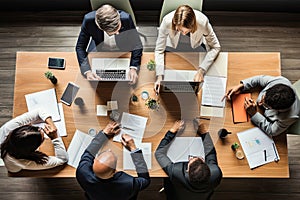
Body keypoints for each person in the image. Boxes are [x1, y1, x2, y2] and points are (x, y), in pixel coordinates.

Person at [154, 5, 221, 93]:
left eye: (187, 31)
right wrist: (159, 76)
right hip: (173, 49)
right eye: (180, 30)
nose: (184, 34)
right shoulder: (167, 21)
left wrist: (201, 70)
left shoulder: (202, 22)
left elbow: (216, 47)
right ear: (174, 22)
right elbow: (159, 50)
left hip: (195, 49)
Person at [76, 121, 150, 200]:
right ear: (114, 171)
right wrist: (133, 148)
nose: (110, 150)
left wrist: (104, 133)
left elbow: (88, 153)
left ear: (94, 162)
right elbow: (145, 180)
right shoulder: (129, 183)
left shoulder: (82, 172)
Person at [75, 4, 143, 84]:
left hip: (123, 51)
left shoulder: (126, 18)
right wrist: (87, 71)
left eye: (118, 27)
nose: (118, 33)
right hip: (100, 51)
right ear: (99, 27)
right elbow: (80, 47)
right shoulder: (88, 21)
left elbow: (137, 44)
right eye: (112, 33)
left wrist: (133, 68)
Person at [155, 120, 222, 200]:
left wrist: (172, 132)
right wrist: (204, 133)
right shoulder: (216, 173)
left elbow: (159, 153)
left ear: (187, 170)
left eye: (190, 161)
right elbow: (211, 154)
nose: (191, 157)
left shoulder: (176, 171)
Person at [223, 75, 300, 136]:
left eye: (265, 105)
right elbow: (259, 79)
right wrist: (241, 86)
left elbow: (272, 131)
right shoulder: (280, 81)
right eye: (263, 96)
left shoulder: (289, 117)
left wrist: (254, 114)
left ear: (275, 110)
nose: (260, 102)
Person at [0, 109, 68, 173]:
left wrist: (52, 125)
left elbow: (39, 111)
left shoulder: (9, 128)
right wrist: (55, 137)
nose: (43, 131)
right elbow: (62, 160)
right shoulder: (22, 162)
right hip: (13, 167)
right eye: (42, 139)